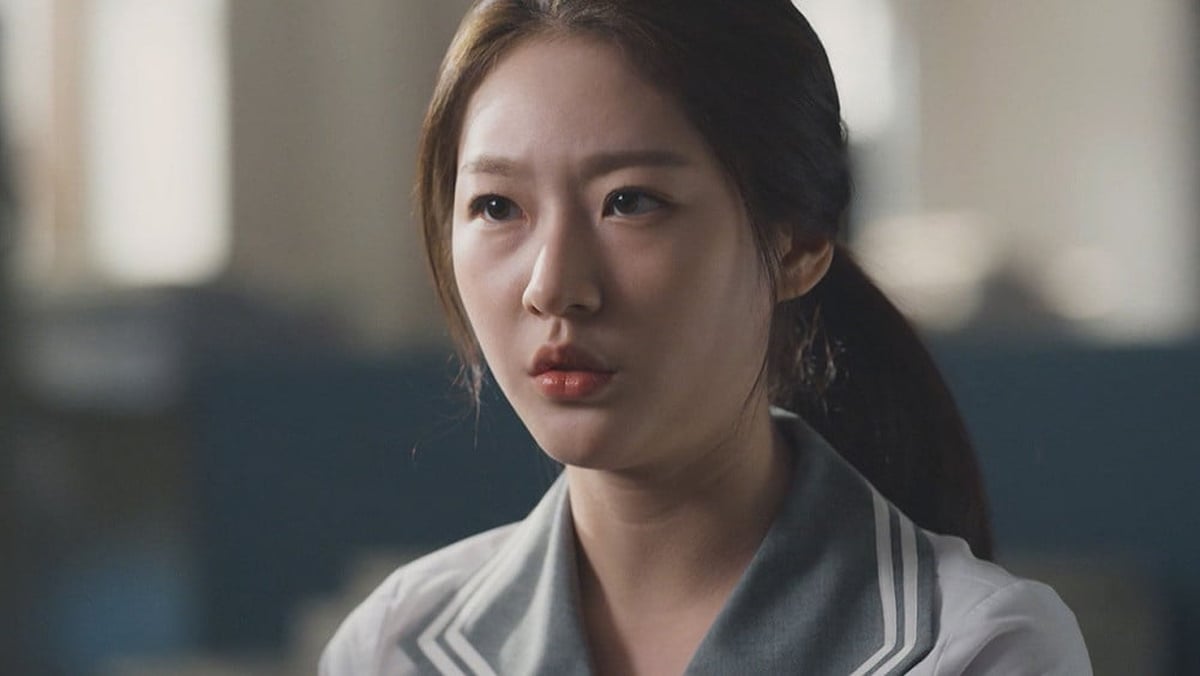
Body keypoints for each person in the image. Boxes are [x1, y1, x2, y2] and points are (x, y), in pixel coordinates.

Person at [322, 0, 1092, 673]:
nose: (552, 286)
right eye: (497, 207)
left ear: (796, 244)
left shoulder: (977, 650)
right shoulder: (392, 650)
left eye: (630, 201)